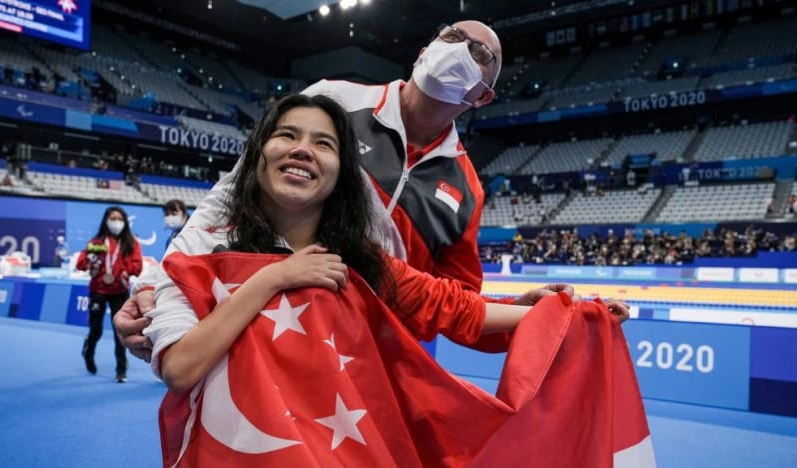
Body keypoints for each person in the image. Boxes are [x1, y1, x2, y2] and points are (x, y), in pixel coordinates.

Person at [145, 94, 633, 465]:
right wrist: (274, 278)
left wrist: (557, 313)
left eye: (324, 143)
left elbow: (450, 305)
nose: (302, 151)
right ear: (258, 154)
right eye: (286, 135)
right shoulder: (199, 253)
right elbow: (179, 368)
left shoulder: (363, 263)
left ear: (341, 174)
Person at [115, 20, 590, 361]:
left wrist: (526, 312)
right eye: (450, 35)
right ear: (423, 51)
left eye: (479, 52)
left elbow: (450, 302)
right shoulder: (334, 101)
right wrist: (154, 287)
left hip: (371, 365)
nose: (458, 47)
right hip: (273, 327)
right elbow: (228, 196)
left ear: (482, 95)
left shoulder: (466, 189)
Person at [76, 206, 143, 382]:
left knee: (120, 332)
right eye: (113, 218)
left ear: (125, 222)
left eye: (120, 219)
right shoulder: (96, 242)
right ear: (106, 221)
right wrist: (90, 264)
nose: (116, 222)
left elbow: (138, 266)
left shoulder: (131, 242)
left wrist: (126, 271)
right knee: (96, 330)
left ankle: (121, 370)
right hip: (98, 290)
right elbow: (80, 263)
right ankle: (88, 351)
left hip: (120, 291)